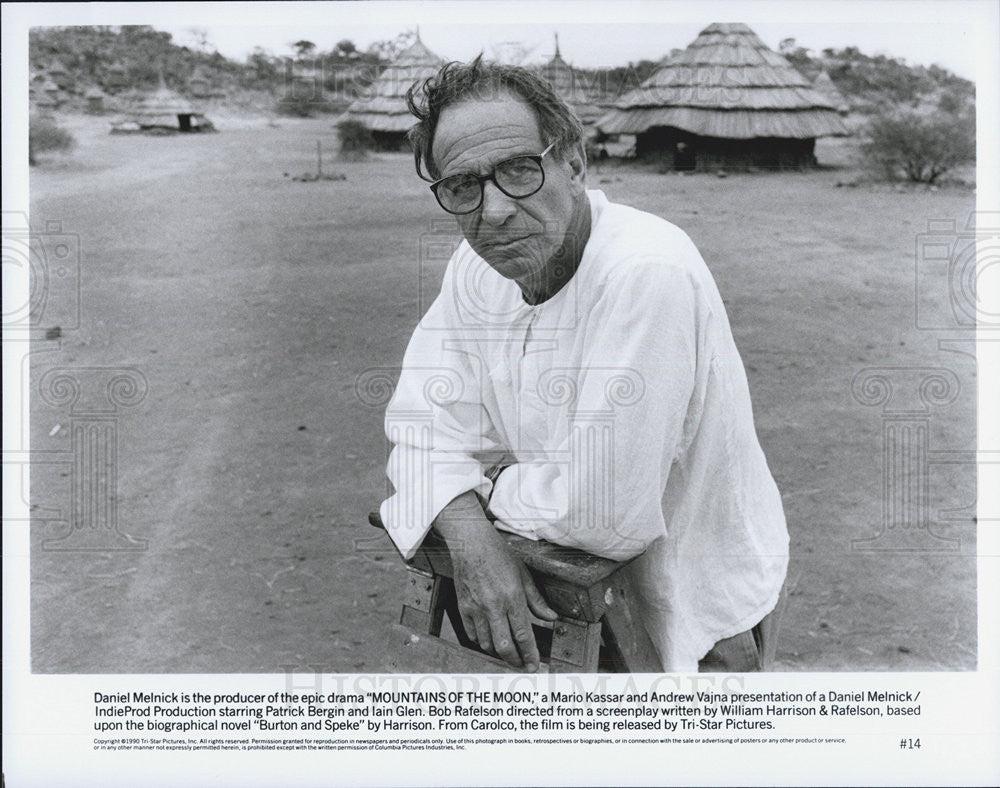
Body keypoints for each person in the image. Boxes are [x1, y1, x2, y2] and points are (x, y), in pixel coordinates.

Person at [379, 56, 789, 673]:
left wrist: (472, 486)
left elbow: (602, 515)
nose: (492, 212)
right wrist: (469, 534)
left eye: (519, 170)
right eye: (463, 186)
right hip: (573, 594)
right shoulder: (477, 267)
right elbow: (419, 426)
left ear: (572, 162)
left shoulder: (647, 273)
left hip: (696, 599)